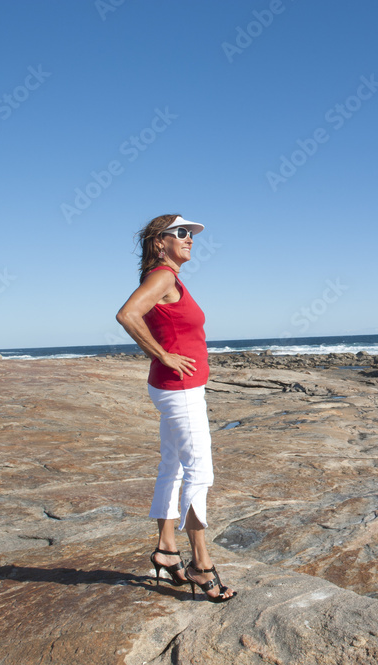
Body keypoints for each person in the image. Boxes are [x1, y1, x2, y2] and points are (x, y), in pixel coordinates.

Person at [116, 213, 235, 603]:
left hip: (177, 389)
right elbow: (127, 315)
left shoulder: (169, 278)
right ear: (159, 242)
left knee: (173, 467)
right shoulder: (163, 277)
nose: (190, 239)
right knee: (199, 473)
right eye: (181, 233)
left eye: (191, 234)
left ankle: (167, 550)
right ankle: (202, 564)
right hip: (179, 389)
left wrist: (165, 356)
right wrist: (163, 355)